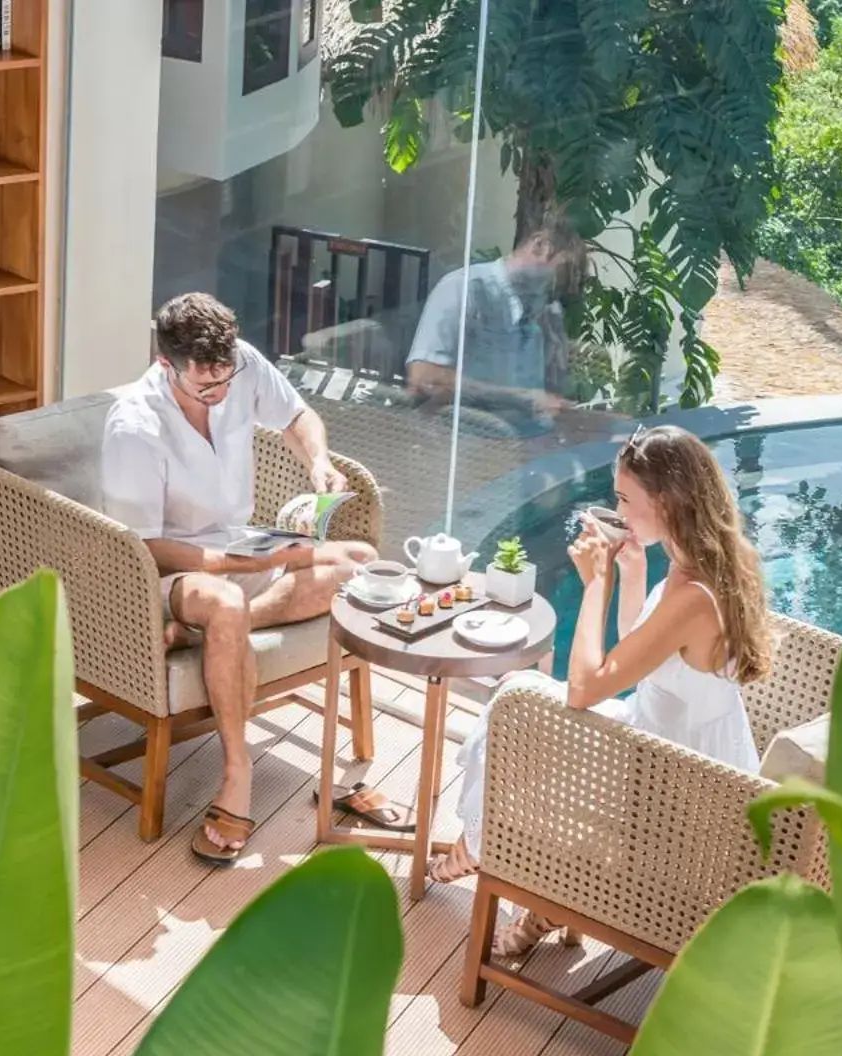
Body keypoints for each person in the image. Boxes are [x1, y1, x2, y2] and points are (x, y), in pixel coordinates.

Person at [429, 425, 773, 957]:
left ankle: (488, 843)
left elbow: (585, 689)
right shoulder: (709, 567)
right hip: (672, 753)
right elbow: (648, 654)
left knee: (520, 700)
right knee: (532, 727)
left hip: (680, 793)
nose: (618, 511)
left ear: (665, 501)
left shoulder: (693, 596)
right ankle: (519, 875)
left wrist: (597, 582)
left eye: (624, 500)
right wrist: (633, 573)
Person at [101, 293, 378, 866]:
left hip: (240, 546)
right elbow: (141, 547)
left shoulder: (240, 364)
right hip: (168, 572)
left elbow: (298, 416)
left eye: (226, 379)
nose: (221, 394)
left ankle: (204, 635)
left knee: (360, 564)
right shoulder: (134, 426)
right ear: (165, 365)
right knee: (224, 602)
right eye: (206, 387)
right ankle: (236, 772)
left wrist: (319, 462)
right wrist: (237, 568)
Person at [405, 211, 582, 438]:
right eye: (555, 279)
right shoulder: (466, 289)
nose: (554, 294)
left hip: (524, 447)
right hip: (466, 445)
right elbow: (424, 380)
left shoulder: (541, 310)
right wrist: (520, 399)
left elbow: (546, 398)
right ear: (539, 245)